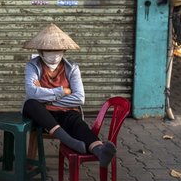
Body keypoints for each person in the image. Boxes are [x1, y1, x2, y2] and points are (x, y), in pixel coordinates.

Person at [22, 23, 117, 167]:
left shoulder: (72, 68)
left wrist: (46, 99)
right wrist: (62, 91)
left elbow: (79, 97)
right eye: (49, 50)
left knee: (77, 122)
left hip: (66, 111)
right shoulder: (32, 66)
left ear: (64, 50)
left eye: (58, 50)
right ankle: (70, 141)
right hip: (42, 114)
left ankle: (99, 150)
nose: (54, 54)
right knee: (31, 104)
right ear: (41, 51)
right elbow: (31, 92)